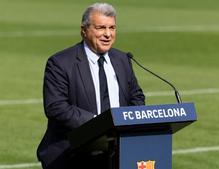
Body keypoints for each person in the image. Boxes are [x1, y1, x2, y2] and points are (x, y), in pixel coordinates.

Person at [37, 2, 145, 169]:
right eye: (101, 28)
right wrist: (100, 125)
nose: (108, 34)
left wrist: (126, 122)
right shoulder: (60, 63)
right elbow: (56, 107)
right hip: (73, 154)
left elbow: (136, 97)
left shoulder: (123, 59)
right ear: (84, 30)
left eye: (112, 28)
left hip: (117, 153)